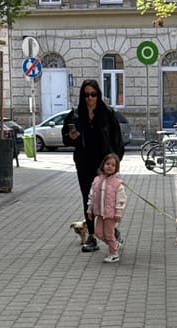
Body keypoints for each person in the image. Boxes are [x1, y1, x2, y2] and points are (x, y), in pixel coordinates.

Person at [62, 80, 125, 253]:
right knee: (89, 200)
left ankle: (112, 231)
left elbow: (117, 141)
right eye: (86, 95)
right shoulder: (75, 115)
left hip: (104, 166)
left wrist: (113, 163)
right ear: (82, 96)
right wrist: (71, 137)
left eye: (93, 94)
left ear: (98, 95)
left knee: (107, 200)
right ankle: (92, 235)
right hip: (84, 164)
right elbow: (65, 139)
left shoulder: (108, 114)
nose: (90, 98)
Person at [87, 153, 127, 263]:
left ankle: (114, 253)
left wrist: (118, 212)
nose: (110, 166)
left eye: (113, 165)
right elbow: (92, 195)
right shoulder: (97, 180)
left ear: (116, 168)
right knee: (98, 233)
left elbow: (121, 200)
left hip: (111, 214)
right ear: (103, 165)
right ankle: (115, 244)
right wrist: (90, 209)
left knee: (109, 234)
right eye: (107, 164)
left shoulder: (117, 183)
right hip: (99, 212)